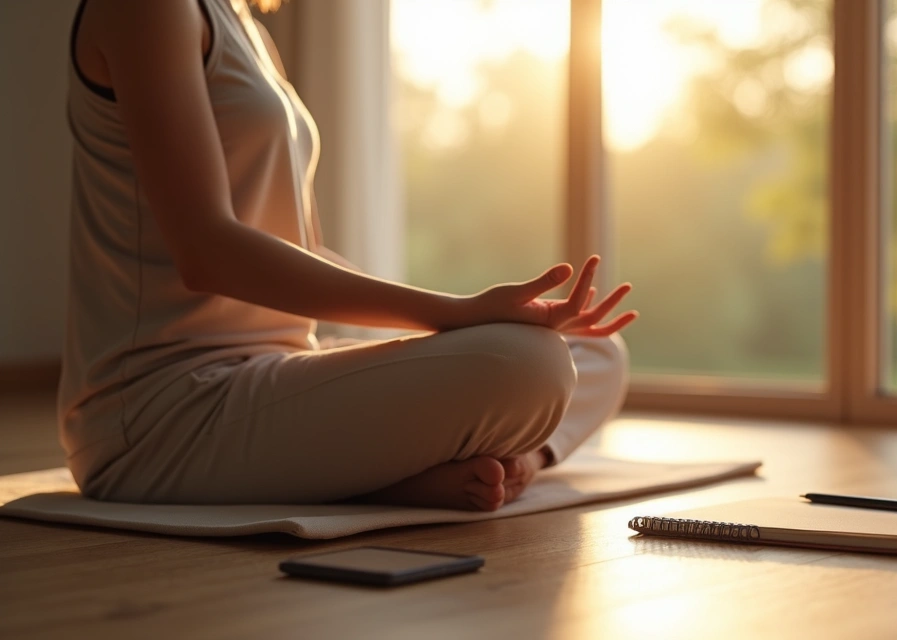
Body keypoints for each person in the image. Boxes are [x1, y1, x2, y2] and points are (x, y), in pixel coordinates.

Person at [59, 0, 637, 511]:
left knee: (593, 348)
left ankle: (519, 464)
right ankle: (389, 477)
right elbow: (207, 251)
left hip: (276, 370)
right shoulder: (149, 7)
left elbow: (303, 252)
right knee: (528, 364)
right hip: (165, 412)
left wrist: (465, 319)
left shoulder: (242, 23)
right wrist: (454, 313)